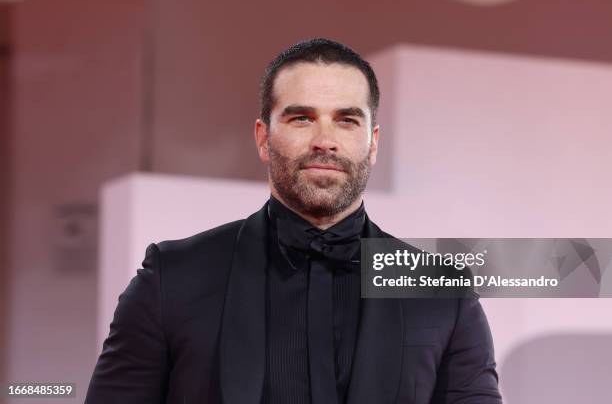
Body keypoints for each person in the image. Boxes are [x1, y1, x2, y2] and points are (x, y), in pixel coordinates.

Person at [85, 38, 502, 404]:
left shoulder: (441, 293)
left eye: (347, 119)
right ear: (264, 138)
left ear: (372, 143)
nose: (325, 140)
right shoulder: (172, 278)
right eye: (301, 118)